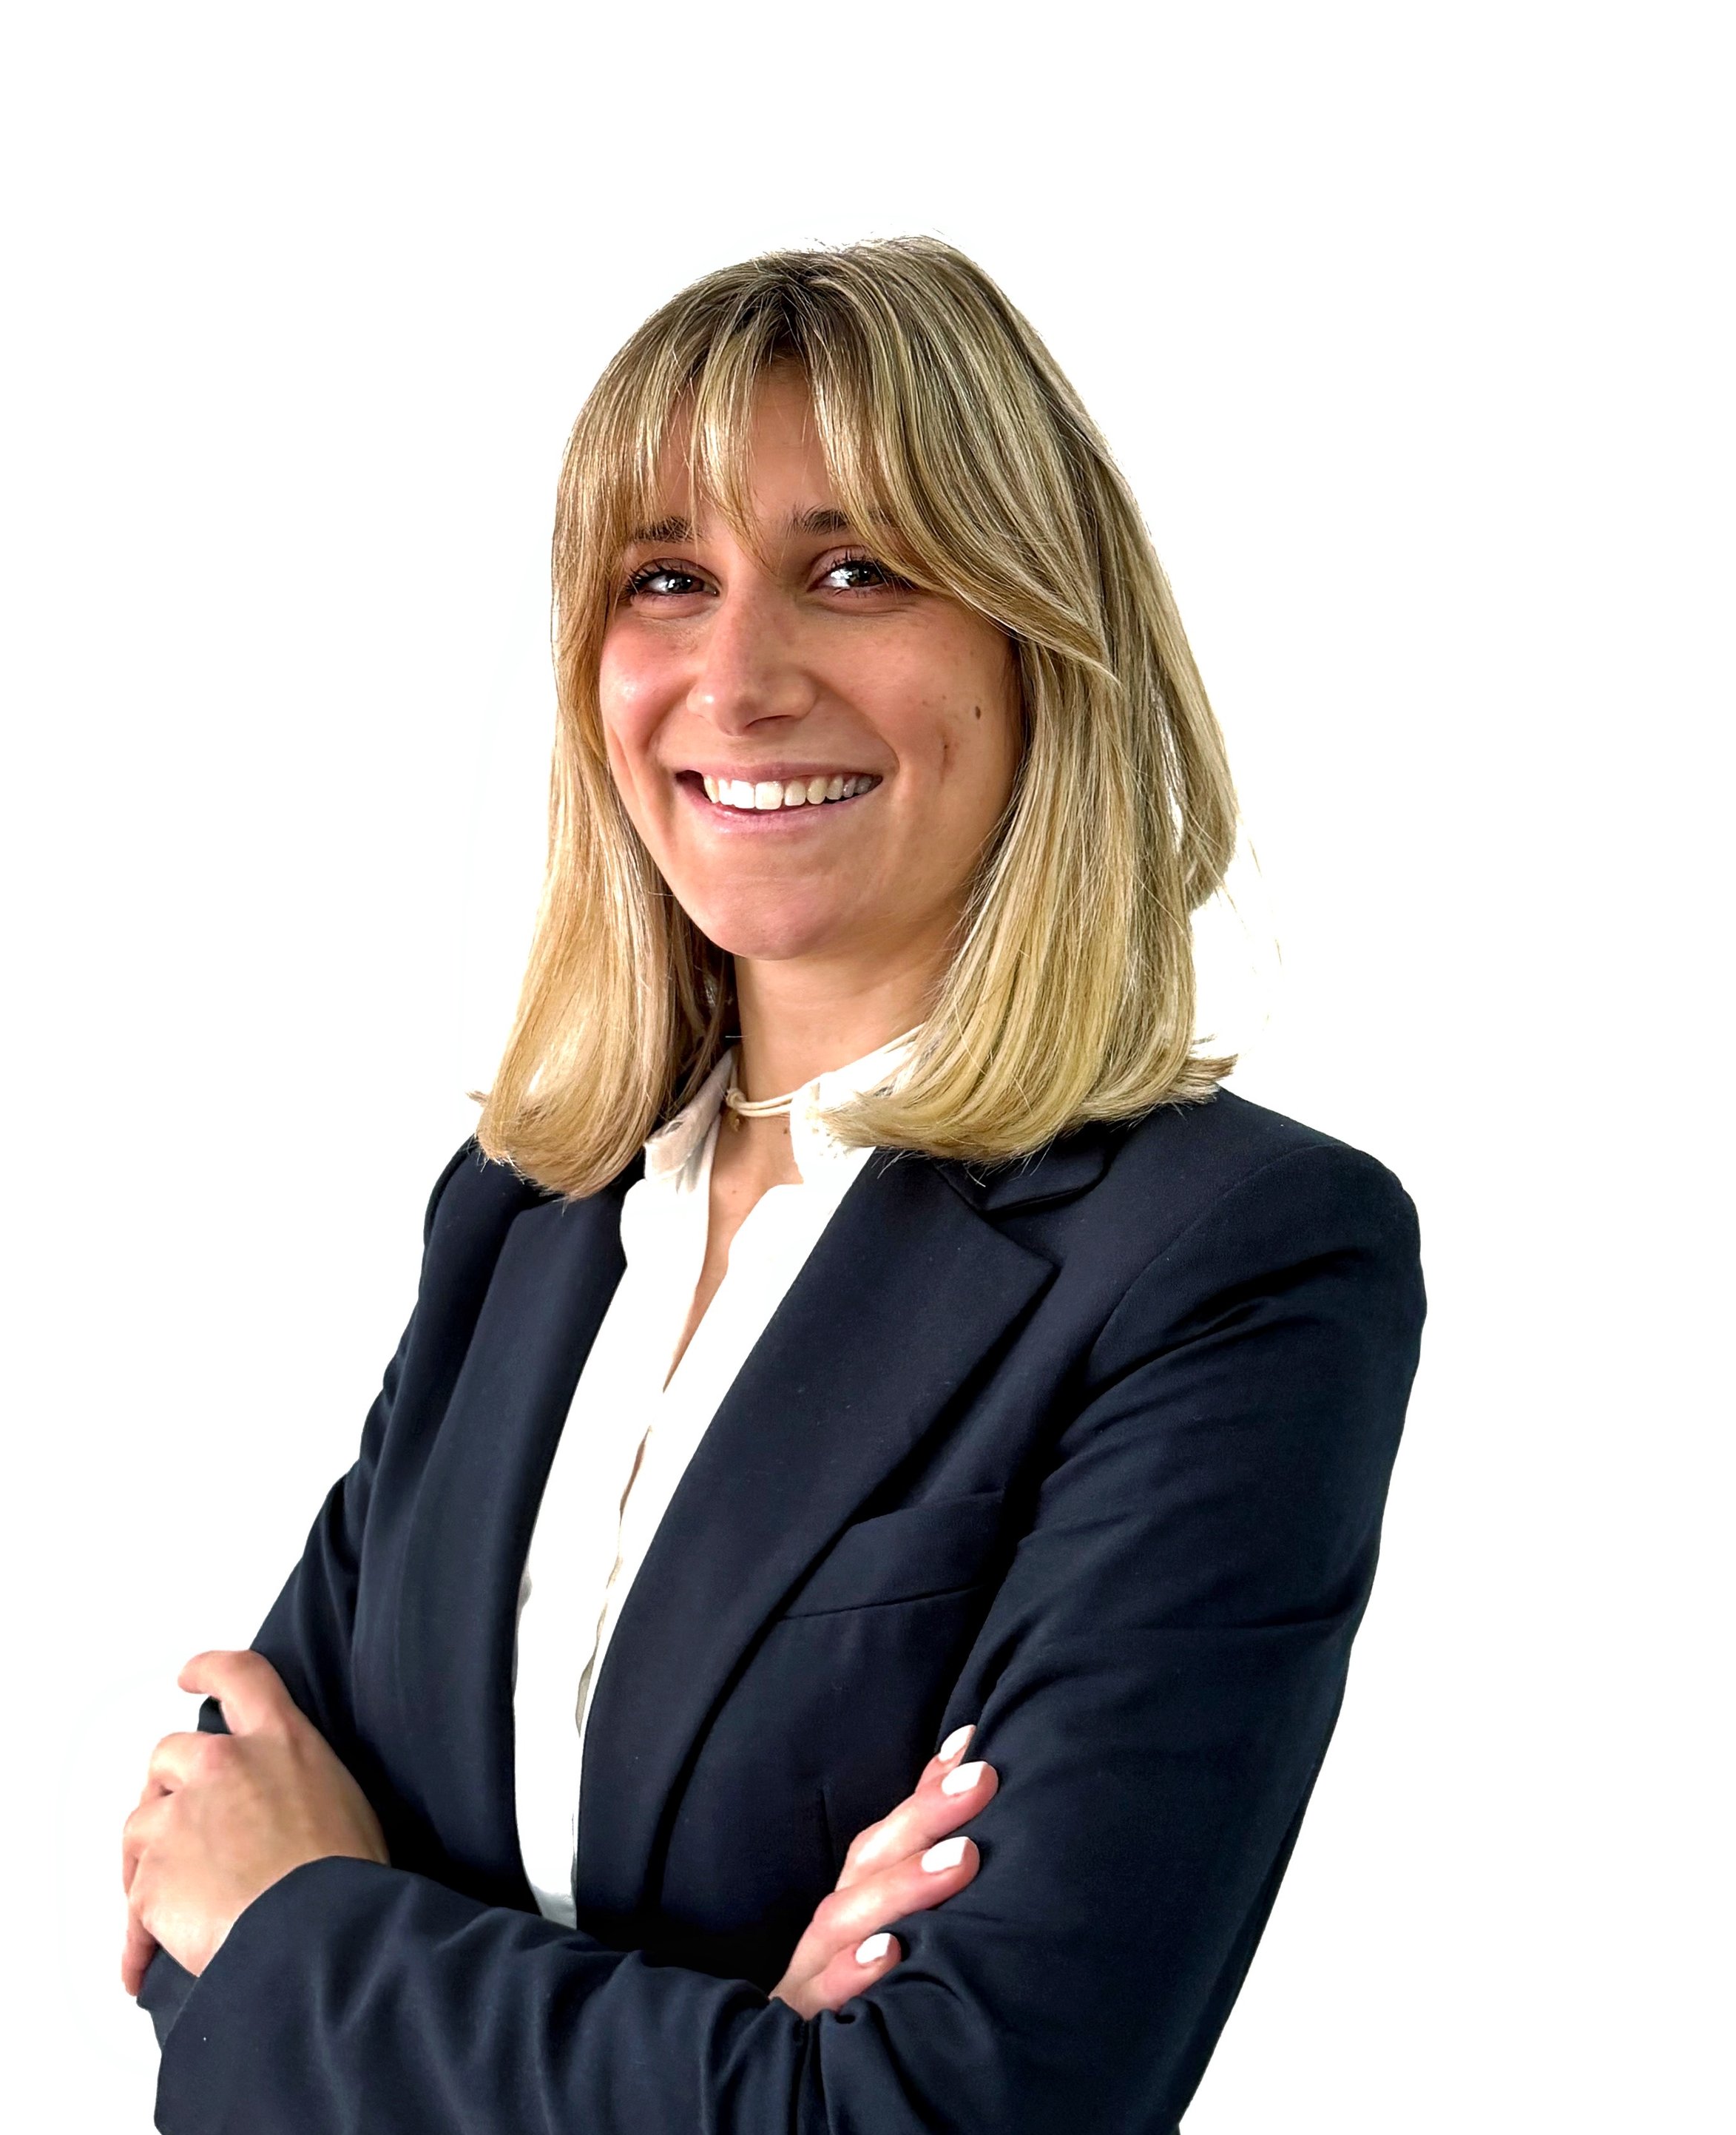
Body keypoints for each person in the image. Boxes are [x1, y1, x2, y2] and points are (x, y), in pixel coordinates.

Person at [121, 237, 1425, 2135]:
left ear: (1033, 639)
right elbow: (185, 1916)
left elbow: (953, 2111)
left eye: (853, 571)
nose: (735, 679)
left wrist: (318, 1929)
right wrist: (747, 2035)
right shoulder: (521, 1217)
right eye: (665, 579)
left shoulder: (1225, 1264)